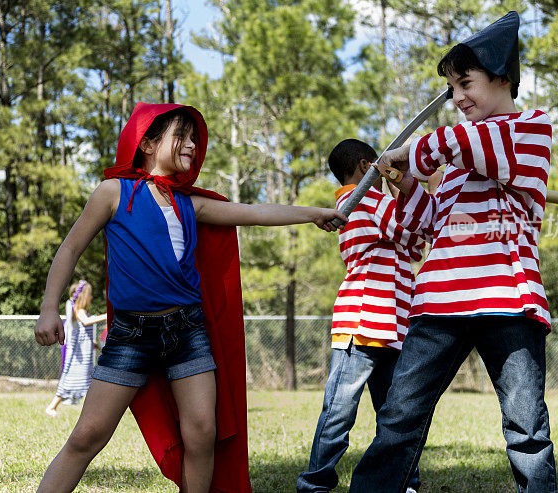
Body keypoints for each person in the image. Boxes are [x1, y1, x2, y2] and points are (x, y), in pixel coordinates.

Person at [33, 101, 346, 493]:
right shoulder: (113, 192)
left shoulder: (189, 203)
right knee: (87, 436)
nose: (192, 145)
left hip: (187, 332)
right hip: (131, 336)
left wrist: (313, 213)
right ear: (146, 143)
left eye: (194, 139)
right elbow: (69, 249)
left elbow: (253, 211)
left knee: (202, 432)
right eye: (181, 136)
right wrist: (49, 309)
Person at [348, 11, 557, 492]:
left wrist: (413, 154)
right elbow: (424, 229)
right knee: (399, 420)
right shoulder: (458, 162)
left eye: (465, 84)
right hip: (440, 302)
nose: (458, 98)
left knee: (526, 428)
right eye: (451, 90)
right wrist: (405, 185)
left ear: (502, 78)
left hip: (508, 301)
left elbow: (467, 141)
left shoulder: (529, 130)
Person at [296, 139, 425, 493]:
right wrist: (409, 186)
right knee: (339, 412)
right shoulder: (361, 198)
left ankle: (403, 484)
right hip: (364, 320)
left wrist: (406, 198)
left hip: (394, 326)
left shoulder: (376, 206)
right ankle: (314, 485)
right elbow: (412, 230)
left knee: (396, 415)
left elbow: (414, 245)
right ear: (370, 166)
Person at [45, 280, 107, 416]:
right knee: (71, 379)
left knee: (85, 380)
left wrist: (92, 344)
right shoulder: (78, 310)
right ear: (84, 296)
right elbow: (86, 322)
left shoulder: (80, 310)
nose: (91, 298)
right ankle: (52, 406)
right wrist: (108, 315)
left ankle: (91, 410)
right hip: (79, 356)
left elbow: (82, 333)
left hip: (84, 352)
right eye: (90, 295)